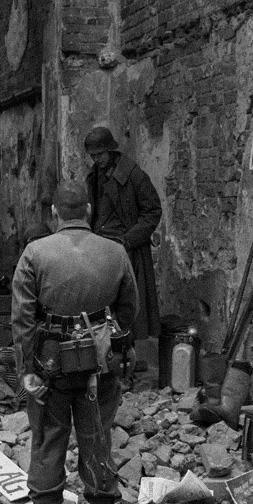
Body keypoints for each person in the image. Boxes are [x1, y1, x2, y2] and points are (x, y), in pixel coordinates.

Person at [11, 180, 139, 504]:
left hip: (49, 363)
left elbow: (22, 319)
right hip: (99, 363)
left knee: (48, 438)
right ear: (88, 211)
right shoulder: (116, 252)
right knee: (97, 436)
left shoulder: (34, 253)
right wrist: (111, 340)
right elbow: (129, 309)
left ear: (54, 213)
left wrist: (26, 369)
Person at [84, 124, 162, 343]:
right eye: (93, 155)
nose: (96, 159)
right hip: (101, 248)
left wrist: (128, 240)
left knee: (129, 307)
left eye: (100, 154)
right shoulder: (94, 176)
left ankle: (129, 351)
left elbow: (152, 211)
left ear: (110, 150)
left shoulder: (134, 175)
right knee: (101, 306)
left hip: (128, 249)